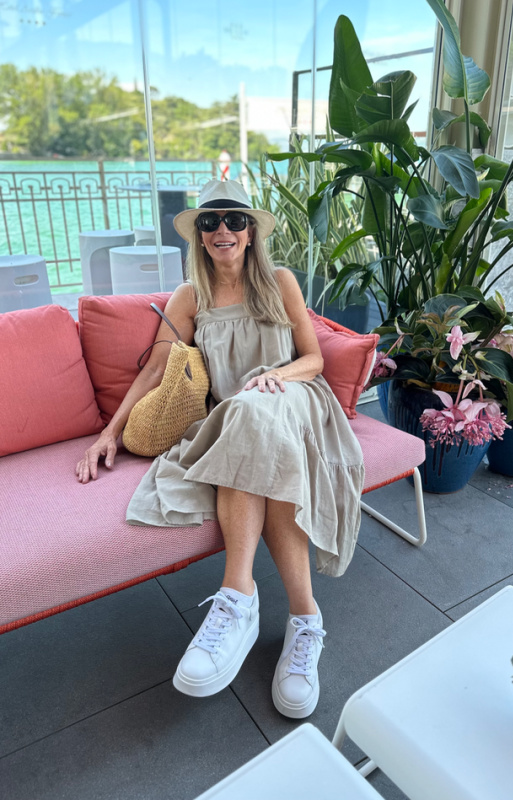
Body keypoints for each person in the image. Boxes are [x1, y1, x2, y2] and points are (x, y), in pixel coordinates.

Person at [76, 179, 364, 719]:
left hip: (296, 401)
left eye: (234, 220)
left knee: (253, 413)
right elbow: (156, 370)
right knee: (248, 425)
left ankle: (237, 597)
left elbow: (314, 360)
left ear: (250, 231)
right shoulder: (190, 297)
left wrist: (274, 378)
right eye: (210, 222)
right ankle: (305, 619)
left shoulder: (280, 282)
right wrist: (108, 432)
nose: (222, 230)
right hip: (237, 421)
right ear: (200, 236)